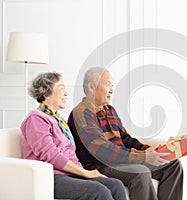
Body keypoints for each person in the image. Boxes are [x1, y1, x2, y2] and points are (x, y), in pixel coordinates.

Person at [68, 67, 183, 200]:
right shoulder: (82, 113)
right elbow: (103, 151)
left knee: (172, 164)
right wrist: (143, 156)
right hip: (102, 165)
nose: (111, 89)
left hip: (122, 161)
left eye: (112, 85)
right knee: (140, 172)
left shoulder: (109, 110)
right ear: (91, 87)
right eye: (107, 84)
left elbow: (126, 139)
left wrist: (147, 150)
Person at [21, 72, 127, 200]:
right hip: (53, 177)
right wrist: (85, 173)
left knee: (116, 185)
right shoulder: (36, 119)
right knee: (99, 191)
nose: (66, 93)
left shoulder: (59, 121)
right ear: (46, 93)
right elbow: (51, 155)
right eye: (61, 88)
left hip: (71, 173)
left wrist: (82, 171)